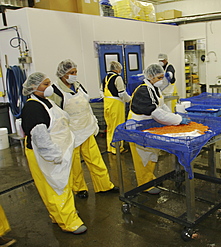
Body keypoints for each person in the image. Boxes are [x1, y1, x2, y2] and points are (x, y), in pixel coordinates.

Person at [21, 72, 87, 234]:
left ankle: (61, 214)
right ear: (33, 87)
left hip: (60, 151)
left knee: (63, 184)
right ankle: (68, 221)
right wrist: (54, 156)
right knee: (56, 187)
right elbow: (40, 136)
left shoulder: (45, 101)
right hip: (46, 154)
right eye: (45, 84)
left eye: (49, 83)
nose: (49, 87)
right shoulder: (32, 108)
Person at [49, 59, 118, 199]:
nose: (74, 75)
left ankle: (104, 185)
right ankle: (79, 188)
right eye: (71, 72)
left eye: (75, 72)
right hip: (71, 134)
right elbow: (55, 116)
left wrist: (94, 122)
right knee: (74, 164)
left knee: (96, 160)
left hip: (86, 130)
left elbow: (86, 105)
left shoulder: (78, 86)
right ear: (62, 74)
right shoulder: (56, 91)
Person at [128, 63, 190, 195]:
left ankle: (150, 178)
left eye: (162, 77)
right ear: (150, 77)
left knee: (151, 154)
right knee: (143, 157)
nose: (161, 80)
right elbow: (156, 113)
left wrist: (174, 115)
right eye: (159, 77)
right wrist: (178, 120)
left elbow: (161, 107)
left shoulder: (154, 89)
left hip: (149, 126)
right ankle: (145, 185)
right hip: (139, 127)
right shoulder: (144, 91)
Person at [101, 61, 131, 154]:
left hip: (107, 104)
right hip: (116, 105)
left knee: (110, 126)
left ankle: (110, 147)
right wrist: (129, 99)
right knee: (118, 126)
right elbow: (121, 93)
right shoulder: (117, 78)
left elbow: (101, 92)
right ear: (118, 69)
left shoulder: (105, 78)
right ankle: (117, 148)